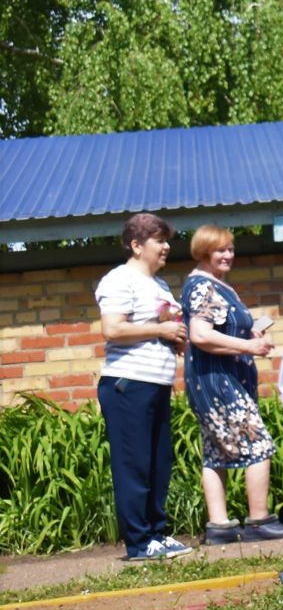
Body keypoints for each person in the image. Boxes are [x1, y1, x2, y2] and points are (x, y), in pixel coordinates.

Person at [175, 225, 283, 543]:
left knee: (216, 453)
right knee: (259, 444)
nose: (227, 255)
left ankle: (220, 526)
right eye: (219, 250)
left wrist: (252, 332)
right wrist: (249, 347)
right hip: (218, 382)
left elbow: (220, 328)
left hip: (214, 380)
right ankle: (258, 521)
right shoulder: (203, 287)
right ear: (203, 251)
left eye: (230, 249)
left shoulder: (214, 285)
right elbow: (200, 335)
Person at [94, 212, 193, 561]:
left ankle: (156, 534)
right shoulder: (119, 280)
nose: (166, 247)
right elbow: (113, 329)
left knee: (158, 462)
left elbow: (159, 328)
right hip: (127, 384)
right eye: (159, 241)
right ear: (136, 245)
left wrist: (176, 338)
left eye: (167, 240)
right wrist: (161, 330)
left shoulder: (160, 285)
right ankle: (138, 543)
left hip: (155, 383)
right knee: (134, 465)